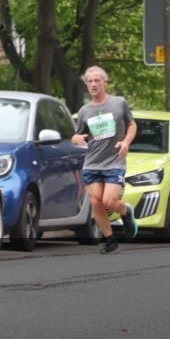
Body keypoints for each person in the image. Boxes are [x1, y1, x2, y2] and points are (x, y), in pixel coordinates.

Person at [71, 66, 139, 254]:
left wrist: (126, 142)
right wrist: (75, 138)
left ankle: (125, 212)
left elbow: (132, 124)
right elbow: (77, 135)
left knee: (109, 201)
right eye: (90, 81)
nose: (93, 84)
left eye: (97, 81)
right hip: (92, 162)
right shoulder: (84, 110)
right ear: (86, 85)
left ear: (104, 82)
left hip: (114, 161)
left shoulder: (119, 103)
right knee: (95, 202)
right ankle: (110, 239)